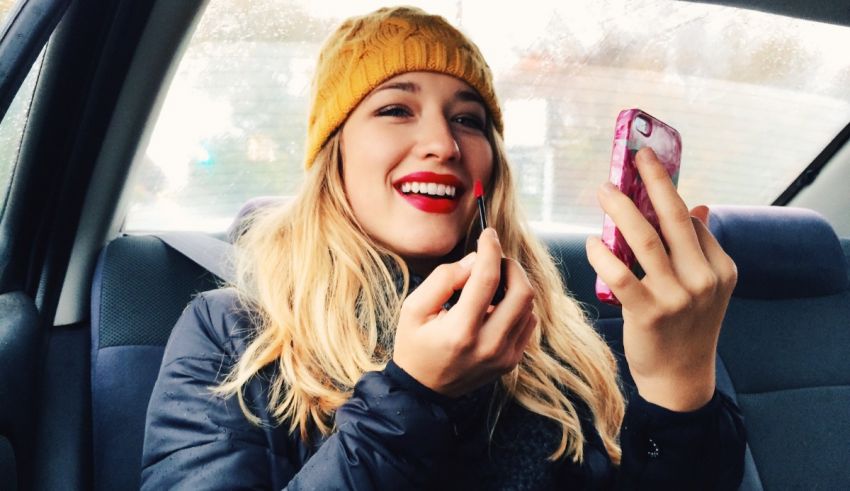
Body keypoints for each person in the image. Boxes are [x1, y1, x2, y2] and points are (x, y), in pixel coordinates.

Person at [141, 6, 745, 489]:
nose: (442, 143)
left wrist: (679, 389)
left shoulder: (560, 336)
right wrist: (411, 399)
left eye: (468, 120)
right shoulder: (234, 332)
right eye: (396, 109)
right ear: (336, 154)